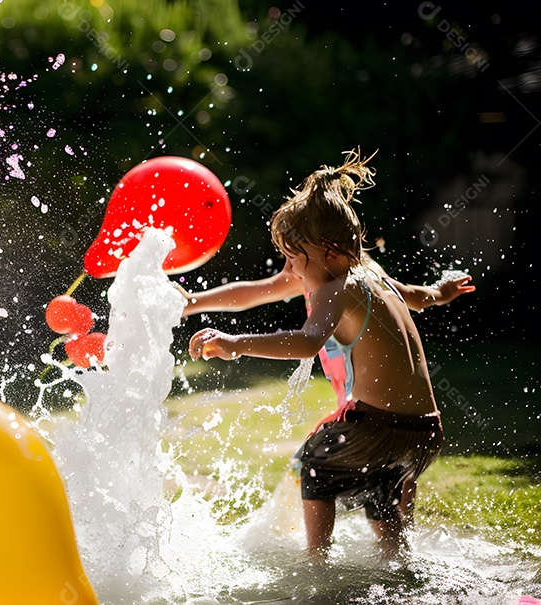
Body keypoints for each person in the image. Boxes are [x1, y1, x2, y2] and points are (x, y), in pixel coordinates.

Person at [187, 149, 447, 562]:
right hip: (425, 432)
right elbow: (419, 297)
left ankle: (316, 566)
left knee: (314, 463)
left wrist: (237, 344)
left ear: (328, 251)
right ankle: (397, 561)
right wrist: (442, 291)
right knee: (378, 486)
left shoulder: (335, 287)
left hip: (378, 427)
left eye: (293, 258)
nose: (288, 269)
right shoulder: (371, 274)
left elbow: (307, 341)